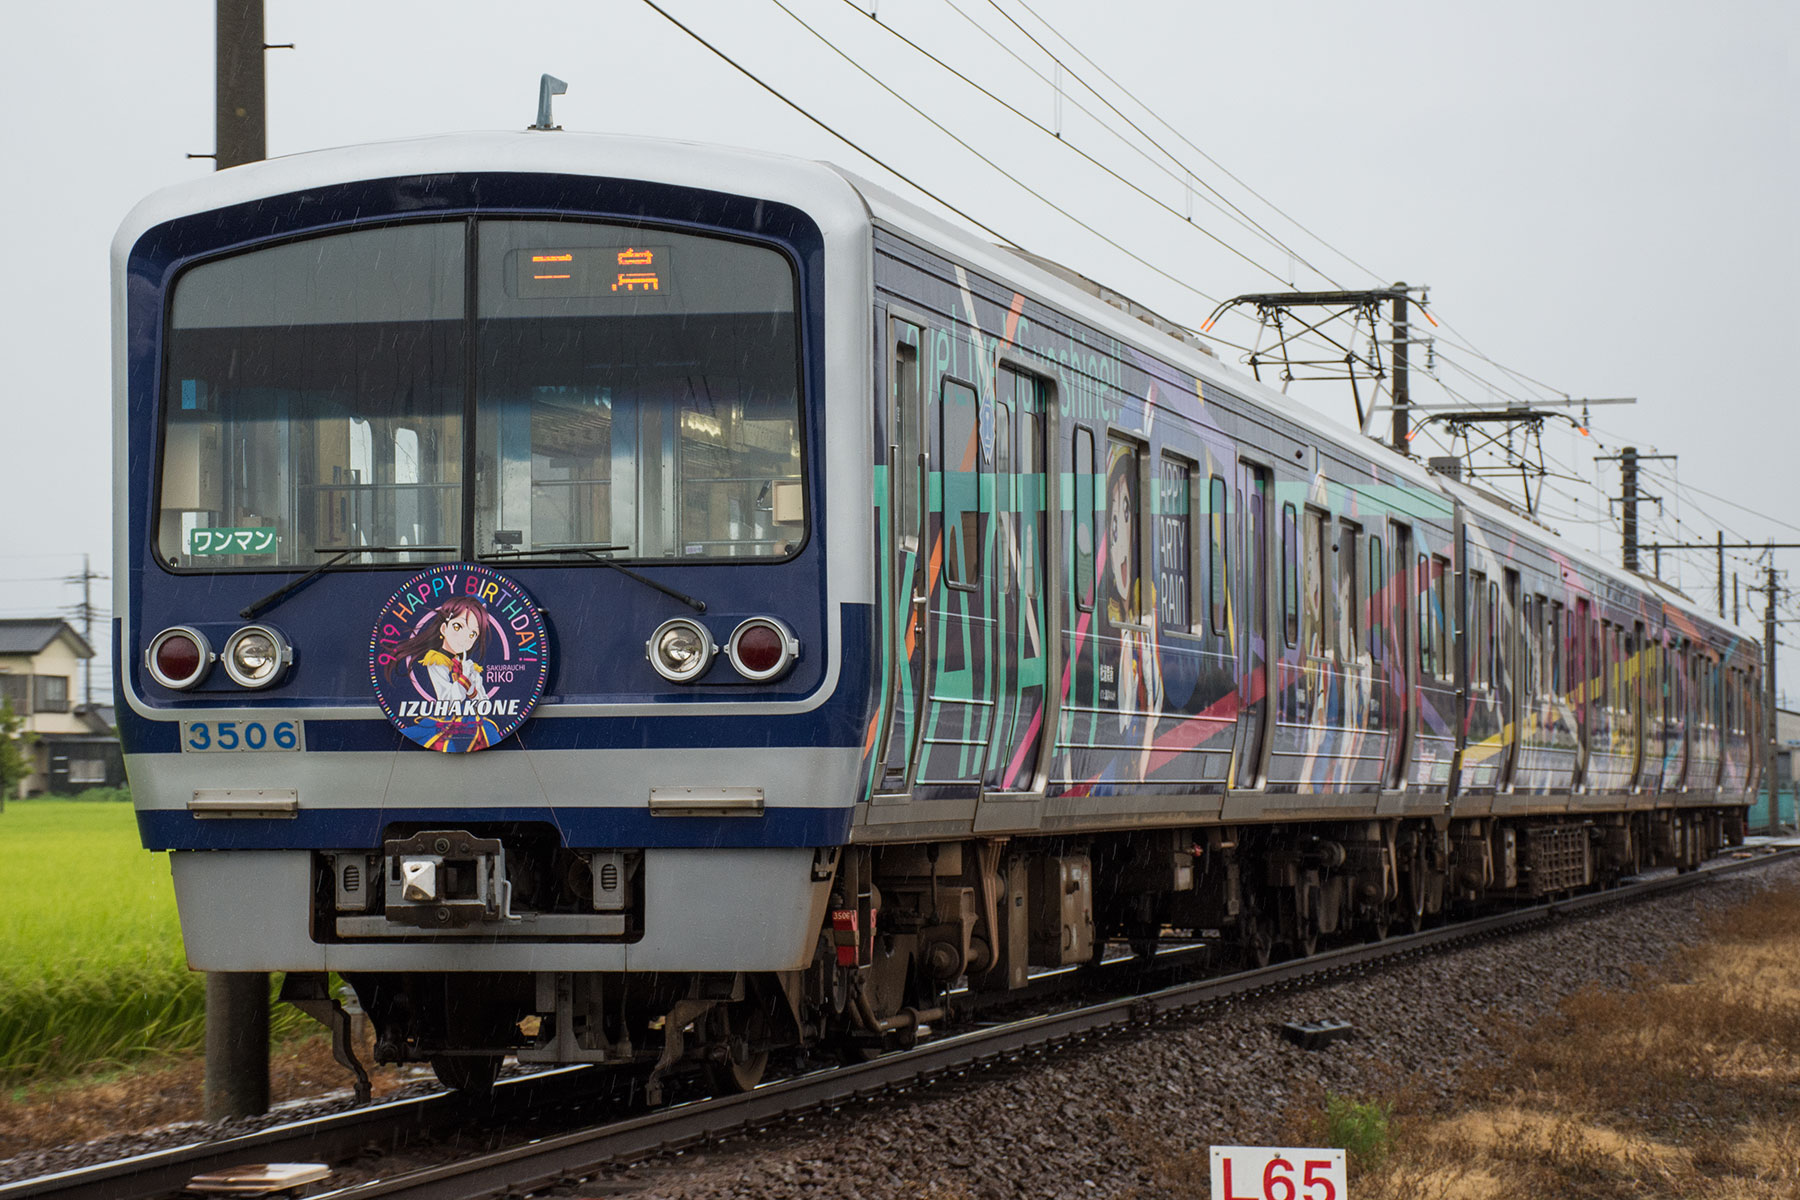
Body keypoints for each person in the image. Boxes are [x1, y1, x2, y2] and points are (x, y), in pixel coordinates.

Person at [386, 596, 501, 752]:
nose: (464, 639)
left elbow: (484, 704)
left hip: (469, 723)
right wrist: (463, 681)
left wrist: (472, 687)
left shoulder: (469, 666)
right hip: (440, 724)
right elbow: (448, 700)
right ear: (444, 628)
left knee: (490, 735)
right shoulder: (436, 661)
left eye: (472, 634)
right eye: (458, 627)